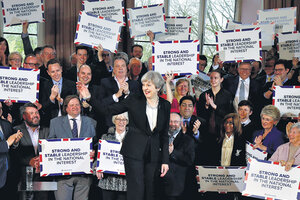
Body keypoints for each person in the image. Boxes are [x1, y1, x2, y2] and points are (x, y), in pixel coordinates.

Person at [98, 71, 170, 200]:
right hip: (133, 152)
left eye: (149, 85)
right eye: (144, 85)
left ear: (158, 88)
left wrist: (165, 160)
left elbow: (164, 135)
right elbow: (108, 110)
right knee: (137, 190)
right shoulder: (134, 99)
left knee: (150, 190)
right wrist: (89, 98)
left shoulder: (165, 105)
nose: (145, 88)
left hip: (153, 154)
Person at [48, 95, 96, 200]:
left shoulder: (91, 122)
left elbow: (95, 144)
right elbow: (50, 146)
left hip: (84, 175)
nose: (75, 107)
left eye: (77, 104)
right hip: (62, 175)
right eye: (71, 105)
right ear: (66, 108)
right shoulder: (55, 122)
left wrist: (94, 152)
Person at [14, 103, 50, 199]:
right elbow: (13, 153)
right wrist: (29, 161)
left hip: (43, 176)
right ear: (24, 116)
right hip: (24, 175)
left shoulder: (47, 130)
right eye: (31, 113)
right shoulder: (15, 130)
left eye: (36, 112)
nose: (35, 115)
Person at [197, 69, 232, 165]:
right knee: (206, 160)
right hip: (206, 133)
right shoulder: (204, 95)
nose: (213, 80)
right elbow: (200, 115)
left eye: (216, 78)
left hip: (221, 133)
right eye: (211, 78)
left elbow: (229, 115)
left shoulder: (227, 95)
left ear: (221, 80)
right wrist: (207, 106)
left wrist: (215, 106)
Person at [98, 56, 140, 128]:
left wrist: (127, 93)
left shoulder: (135, 84)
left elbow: (137, 105)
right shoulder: (105, 82)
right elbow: (101, 104)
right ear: (113, 69)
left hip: (130, 125)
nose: (120, 68)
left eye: (123, 66)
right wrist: (116, 95)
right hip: (109, 124)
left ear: (127, 68)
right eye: (117, 66)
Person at [96, 112, 129, 200]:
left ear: (127, 121)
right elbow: (99, 157)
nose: (121, 122)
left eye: (124, 119)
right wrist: (97, 168)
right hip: (108, 182)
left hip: (125, 184)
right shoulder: (105, 137)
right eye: (118, 119)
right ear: (114, 121)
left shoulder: (132, 138)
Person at [162, 112, 195, 200]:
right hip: (158, 186)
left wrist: (173, 153)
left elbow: (189, 160)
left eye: (176, 122)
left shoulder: (188, 140)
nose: (172, 124)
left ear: (181, 123)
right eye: (170, 121)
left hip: (175, 188)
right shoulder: (160, 138)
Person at [40, 59, 76, 126]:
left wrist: (61, 101)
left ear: (61, 69)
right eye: (53, 72)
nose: (56, 74)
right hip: (50, 123)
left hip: (69, 122)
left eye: (58, 70)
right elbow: (42, 108)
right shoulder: (43, 86)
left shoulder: (72, 85)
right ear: (48, 72)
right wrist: (52, 98)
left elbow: (75, 105)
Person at [0, 106, 23, 199]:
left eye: (1, 108)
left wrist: (15, 142)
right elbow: (7, 143)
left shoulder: (6, 124)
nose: (0, 110)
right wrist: (7, 143)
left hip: (9, 173)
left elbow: (12, 147)